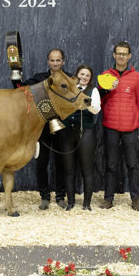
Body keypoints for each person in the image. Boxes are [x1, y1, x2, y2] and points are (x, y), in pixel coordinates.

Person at [13, 48, 68, 210]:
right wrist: (15, 75)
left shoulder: (69, 78)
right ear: (48, 62)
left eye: (58, 60)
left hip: (62, 127)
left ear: (63, 62)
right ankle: (44, 197)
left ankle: (60, 197)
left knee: (61, 163)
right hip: (42, 127)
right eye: (52, 60)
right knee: (41, 163)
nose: (55, 63)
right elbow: (21, 88)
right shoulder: (39, 78)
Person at [98, 41, 139, 211]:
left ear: (129, 56)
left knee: (132, 165)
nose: (121, 56)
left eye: (124, 54)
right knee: (110, 165)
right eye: (118, 53)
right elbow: (100, 101)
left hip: (130, 128)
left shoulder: (137, 77)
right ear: (114, 55)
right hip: (110, 126)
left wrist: (130, 116)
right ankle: (108, 199)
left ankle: (135, 199)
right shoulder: (105, 76)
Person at [59, 65, 101, 210]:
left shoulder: (93, 90)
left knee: (87, 169)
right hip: (67, 133)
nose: (84, 77)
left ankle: (87, 204)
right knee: (69, 169)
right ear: (77, 75)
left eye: (87, 76)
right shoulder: (68, 89)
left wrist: (86, 102)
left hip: (86, 133)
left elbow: (96, 110)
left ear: (90, 79)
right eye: (82, 74)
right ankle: (70, 202)